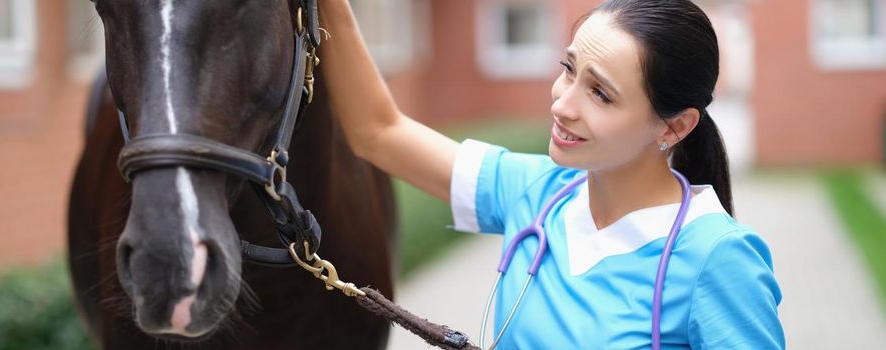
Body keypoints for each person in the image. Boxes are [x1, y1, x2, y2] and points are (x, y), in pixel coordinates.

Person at [318, 0, 785, 348]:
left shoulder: (717, 259)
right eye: (569, 69)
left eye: (600, 93)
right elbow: (378, 132)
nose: (561, 104)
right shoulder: (539, 191)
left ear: (674, 126)